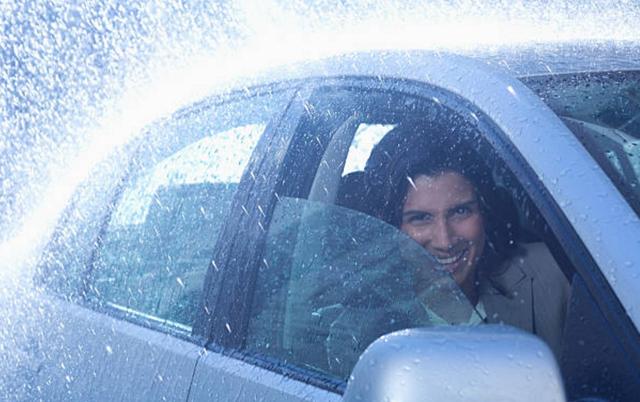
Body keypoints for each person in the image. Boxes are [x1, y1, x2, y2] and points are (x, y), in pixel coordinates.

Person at [326, 118, 570, 377]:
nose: (445, 240)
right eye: (420, 218)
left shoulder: (551, 276)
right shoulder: (358, 334)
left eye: (460, 211)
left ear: (484, 211)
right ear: (393, 228)